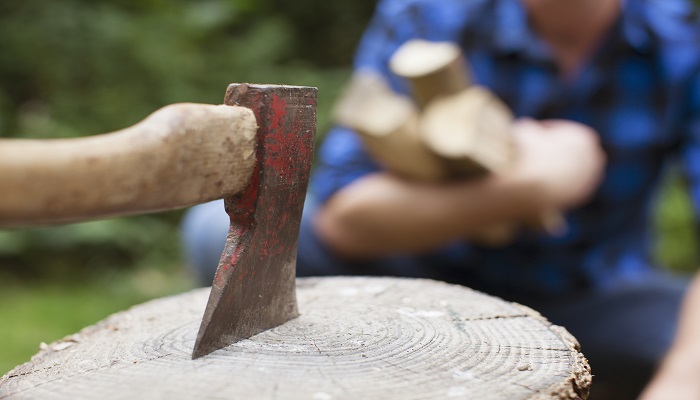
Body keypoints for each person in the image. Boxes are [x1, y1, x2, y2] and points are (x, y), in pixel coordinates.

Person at [182, 0, 700, 398]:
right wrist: (528, 188)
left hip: (592, 296)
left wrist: (678, 383)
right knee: (215, 233)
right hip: (416, 281)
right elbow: (345, 217)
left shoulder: (683, 43)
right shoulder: (432, 12)